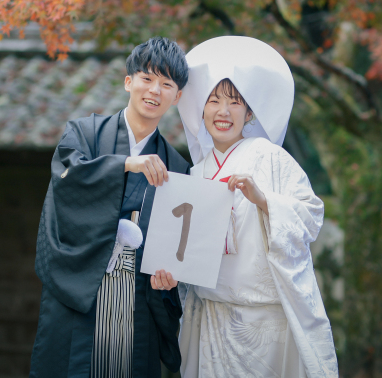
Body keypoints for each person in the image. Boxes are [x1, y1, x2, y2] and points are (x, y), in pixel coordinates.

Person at [175, 36, 339, 378]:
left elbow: (311, 215)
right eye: (214, 101)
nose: (223, 111)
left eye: (234, 103)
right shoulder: (195, 172)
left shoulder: (271, 158)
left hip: (266, 321)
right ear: (200, 110)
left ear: (249, 112)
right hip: (213, 317)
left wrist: (263, 200)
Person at [30, 37, 191, 378]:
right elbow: (66, 181)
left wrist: (171, 280)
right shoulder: (84, 133)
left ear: (177, 97)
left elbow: (177, 245)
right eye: (147, 78)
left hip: (137, 294)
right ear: (128, 81)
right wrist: (125, 164)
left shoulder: (177, 168)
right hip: (83, 282)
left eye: (166, 84)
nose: (155, 91)